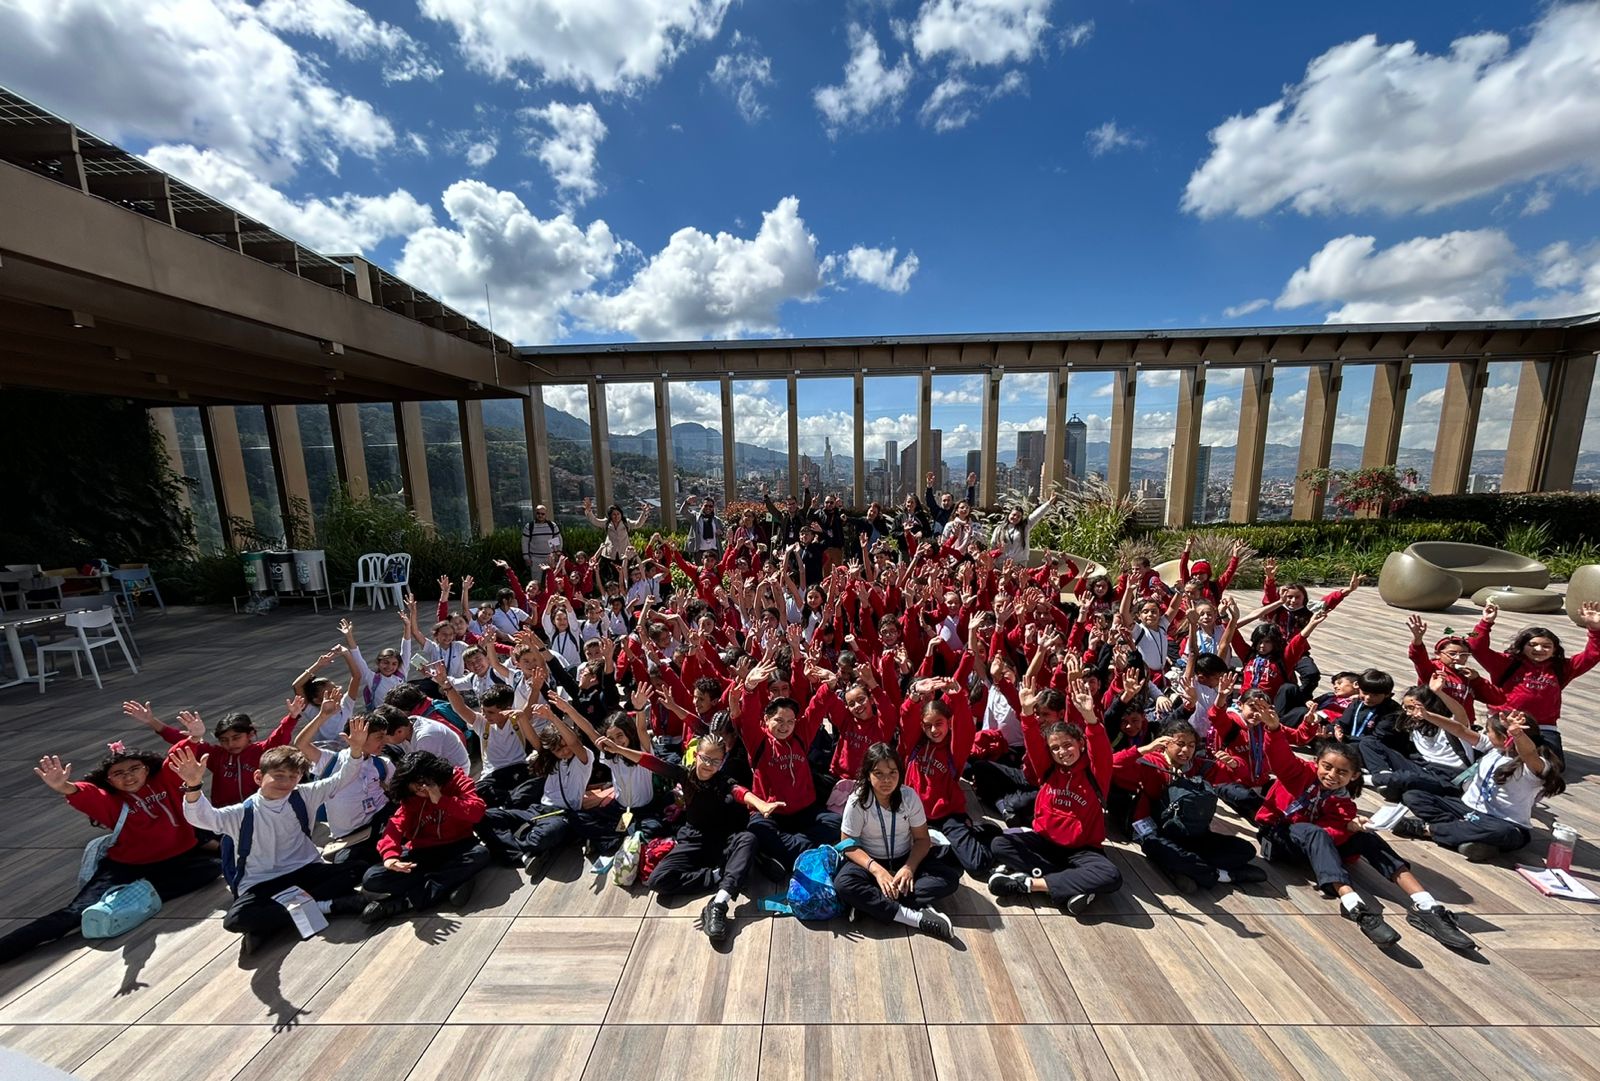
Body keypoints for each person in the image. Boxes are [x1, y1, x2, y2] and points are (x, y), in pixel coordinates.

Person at [1250, 705, 1476, 950]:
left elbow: (1333, 830)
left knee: (1368, 839)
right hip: (1281, 835)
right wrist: (1273, 729)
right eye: (1327, 767)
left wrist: (1349, 826)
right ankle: (1353, 904)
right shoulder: (1299, 774)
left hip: (1317, 845)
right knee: (1314, 832)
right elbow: (1280, 758)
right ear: (1317, 763)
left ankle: (1426, 904)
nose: (1332, 775)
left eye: (1342, 772)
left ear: (1354, 776)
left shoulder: (1343, 801)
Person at [0, 745, 220, 964]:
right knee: (74, 914)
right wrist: (64, 786)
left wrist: (194, 736)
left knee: (211, 870)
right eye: (118, 773)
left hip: (177, 860)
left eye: (134, 769)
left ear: (146, 769)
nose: (129, 776)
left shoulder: (163, 781)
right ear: (109, 781)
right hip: (125, 868)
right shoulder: (110, 801)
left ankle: (138, 893)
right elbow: (87, 794)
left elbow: (177, 759)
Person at [176, 720, 375, 955]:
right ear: (259, 777)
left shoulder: (303, 794)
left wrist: (355, 751)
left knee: (359, 869)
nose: (286, 783)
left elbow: (342, 779)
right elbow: (201, 817)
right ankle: (328, 905)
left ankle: (274, 922)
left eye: (293, 777)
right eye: (279, 775)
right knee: (236, 920)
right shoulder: (241, 813)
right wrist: (193, 785)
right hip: (263, 882)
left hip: (304, 870)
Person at [607, 728, 780, 941]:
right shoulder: (684, 774)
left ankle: (719, 903)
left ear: (722, 761)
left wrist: (761, 804)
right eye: (705, 758)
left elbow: (739, 792)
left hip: (722, 841)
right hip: (694, 839)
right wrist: (618, 749)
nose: (709, 765)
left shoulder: (722, 780)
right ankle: (718, 874)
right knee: (658, 881)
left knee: (748, 839)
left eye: (716, 762)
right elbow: (651, 762)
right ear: (697, 754)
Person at [987, 671, 1123, 915]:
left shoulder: (1095, 773)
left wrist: (1090, 717)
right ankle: (1071, 885)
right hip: (1045, 843)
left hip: (1083, 850)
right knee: (999, 844)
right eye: (1055, 748)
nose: (1062, 752)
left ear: (1081, 744)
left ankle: (1030, 883)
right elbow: (1031, 739)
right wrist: (1027, 713)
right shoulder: (1048, 770)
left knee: (1111, 875)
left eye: (1068, 745)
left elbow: (1100, 746)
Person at [1112, 718, 1267, 893]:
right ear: (1165, 742)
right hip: (1158, 831)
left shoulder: (1197, 766)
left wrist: (1233, 764)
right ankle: (1223, 875)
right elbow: (1111, 766)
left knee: (1245, 850)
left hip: (1191, 832)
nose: (1186, 750)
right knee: (1161, 849)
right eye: (1180, 744)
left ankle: (1189, 870)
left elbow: (1239, 775)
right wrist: (1144, 749)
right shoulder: (1150, 763)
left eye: (1191, 745)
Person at [1397, 707, 1565, 861]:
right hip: (1467, 810)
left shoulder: (1535, 765)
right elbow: (1458, 729)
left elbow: (1528, 752)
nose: (1485, 733)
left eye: (1489, 730)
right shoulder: (1493, 748)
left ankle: (1429, 830)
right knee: (1414, 796)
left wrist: (1518, 735)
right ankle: (1466, 836)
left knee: (1501, 832)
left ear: (1505, 737)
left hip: (1502, 823)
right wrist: (1428, 716)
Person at [833, 743, 957, 939]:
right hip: (870, 863)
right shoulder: (858, 800)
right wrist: (877, 870)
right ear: (867, 774)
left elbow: (922, 839)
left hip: (904, 859)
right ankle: (914, 918)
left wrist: (909, 867)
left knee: (949, 878)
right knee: (844, 884)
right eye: (878, 773)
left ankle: (869, 904)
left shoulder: (909, 797)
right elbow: (847, 844)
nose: (887, 780)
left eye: (892, 772)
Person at [359, 751, 491, 922]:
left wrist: (442, 800)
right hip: (423, 852)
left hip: (459, 845)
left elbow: (477, 812)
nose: (420, 791)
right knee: (371, 878)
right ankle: (450, 882)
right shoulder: (411, 797)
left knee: (480, 855)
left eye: (422, 784)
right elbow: (396, 824)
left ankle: (406, 902)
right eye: (414, 787)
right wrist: (390, 856)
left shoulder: (456, 780)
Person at [1467, 600, 1600, 763]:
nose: (1539, 650)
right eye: (1532, 645)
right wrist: (1485, 622)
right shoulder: (1507, 663)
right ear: (1522, 646)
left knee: (1553, 766)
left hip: (1543, 726)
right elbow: (1475, 646)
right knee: (1498, 761)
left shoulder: (1562, 668)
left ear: (1554, 650)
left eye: (1546, 646)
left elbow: (1593, 654)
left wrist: (1594, 629)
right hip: (1505, 722)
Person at [121, 698, 298, 807]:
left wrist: (291, 717)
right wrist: (151, 721)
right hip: (224, 813)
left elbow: (280, 736)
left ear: (250, 734)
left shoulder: (262, 751)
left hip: (259, 809)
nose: (230, 744)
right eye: (224, 740)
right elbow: (179, 739)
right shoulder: (215, 755)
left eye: (236, 738)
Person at [523, 504, 564, 576]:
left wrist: (558, 552)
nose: (540, 515)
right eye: (538, 513)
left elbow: (558, 539)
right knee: (536, 581)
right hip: (535, 558)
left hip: (550, 558)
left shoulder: (552, 525)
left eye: (542, 514)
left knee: (551, 579)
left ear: (546, 514)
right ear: (535, 513)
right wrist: (526, 557)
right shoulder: (529, 526)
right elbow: (525, 542)